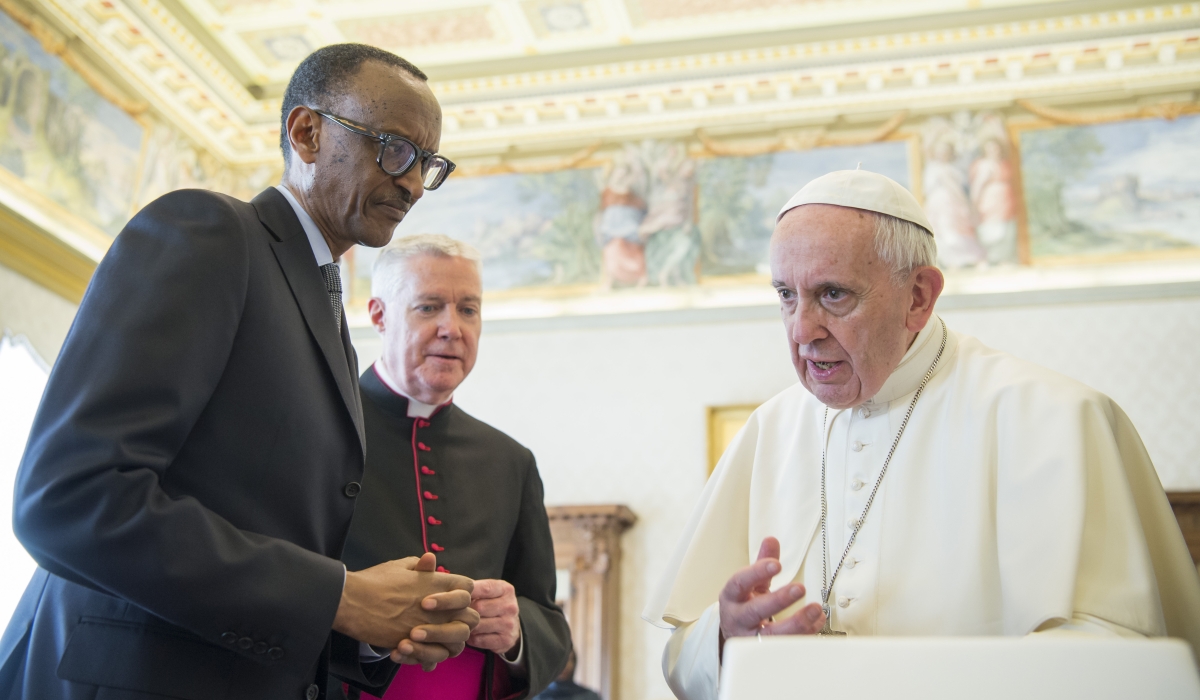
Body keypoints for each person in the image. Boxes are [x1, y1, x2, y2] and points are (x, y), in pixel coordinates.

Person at [0, 44, 476, 700]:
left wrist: (372, 624)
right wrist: (339, 597)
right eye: (394, 148)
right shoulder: (210, 234)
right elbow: (71, 498)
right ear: (307, 133)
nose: (415, 183)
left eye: (429, 162)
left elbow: (263, 533)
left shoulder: (322, 298)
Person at [643, 169, 1200, 700]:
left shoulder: (1054, 418)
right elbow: (682, 658)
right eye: (786, 295)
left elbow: (1123, 662)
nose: (802, 330)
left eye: (833, 294)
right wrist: (727, 639)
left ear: (918, 297)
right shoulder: (769, 431)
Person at [334, 234, 570, 699]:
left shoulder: (510, 460)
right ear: (379, 315)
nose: (452, 328)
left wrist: (517, 632)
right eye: (429, 307)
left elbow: (548, 620)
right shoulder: (320, 429)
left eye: (468, 309)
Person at [532, 649, 600, 700]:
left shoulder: (589, 696)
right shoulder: (537, 697)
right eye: (560, 660)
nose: (564, 665)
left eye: (569, 659)